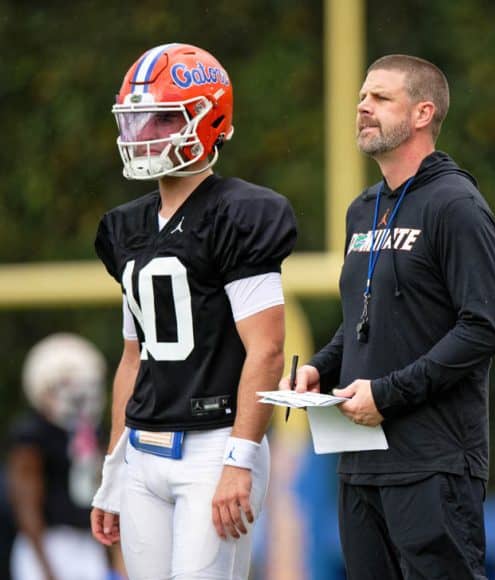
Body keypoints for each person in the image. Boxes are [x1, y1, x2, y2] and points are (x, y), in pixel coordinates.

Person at [283, 54, 495, 579]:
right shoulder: (363, 209)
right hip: (361, 463)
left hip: (434, 461)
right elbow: (365, 317)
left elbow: (486, 325)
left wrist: (389, 394)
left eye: (381, 98)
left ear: (423, 113)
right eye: (362, 97)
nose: (363, 107)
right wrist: (321, 366)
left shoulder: (456, 204)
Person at [89, 43, 297, 579]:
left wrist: (239, 459)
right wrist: (113, 467)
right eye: (137, 120)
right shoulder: (125, 228)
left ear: (210, 119)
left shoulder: (241, 214)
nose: (145, 134)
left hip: (213, 443)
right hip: (142, 448)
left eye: (162, 118)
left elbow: (267, 349)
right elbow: (133, 357)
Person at [6, 334, 110, 580]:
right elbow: (26, 506)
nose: (78, 395)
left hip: (88, 540)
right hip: (47, 544)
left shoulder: (90, 431)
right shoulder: (32, 435)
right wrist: (46, 566)